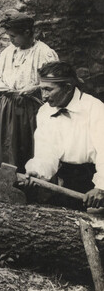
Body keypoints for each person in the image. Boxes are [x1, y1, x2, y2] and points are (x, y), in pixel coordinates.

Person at [25, 61, 104, 209]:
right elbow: (46, 153)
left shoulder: (95, 109)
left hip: (94, 185)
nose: (44, 96)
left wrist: (101, 187)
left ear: (68, 88)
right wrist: (37, 172)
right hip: (65, 183)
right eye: (42, 90)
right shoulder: (45, 112)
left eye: (49, 90)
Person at [0, 9, 58, 177]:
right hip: (8, 108)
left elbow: (55, 83)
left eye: (13, 36)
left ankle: (29, 185)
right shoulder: (7, 53)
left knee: (28, 145)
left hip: (31, 109)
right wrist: (0, 87)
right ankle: (5, 183)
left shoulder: (44, 53)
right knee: (7, 145)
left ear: (27, 33)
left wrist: (34, 87)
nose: (11, 40)